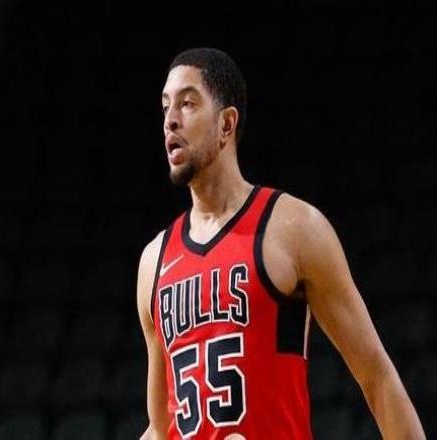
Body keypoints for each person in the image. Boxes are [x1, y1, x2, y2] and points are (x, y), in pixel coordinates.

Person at [136, 47, 425, 439]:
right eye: (165, 106)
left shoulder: (293, 228)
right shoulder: (154, 260)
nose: (170, 119)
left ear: (226, 124)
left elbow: (376, 376)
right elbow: (160, 427)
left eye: (188, 103)